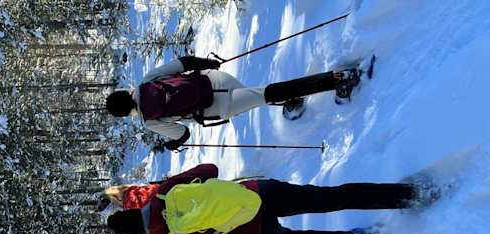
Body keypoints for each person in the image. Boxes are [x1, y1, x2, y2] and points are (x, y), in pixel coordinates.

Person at [105, 162, 430, 234]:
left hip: (252, 232)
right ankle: (405, 194)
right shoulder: (162, 192)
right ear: (133, 210)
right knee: (330, 197)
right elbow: (210, 170)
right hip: (256, 192)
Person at [105, 55, 364, 150]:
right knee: (262, 93)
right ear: (124, 93)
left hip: (220, 106)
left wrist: (173, 144)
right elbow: (183, 63)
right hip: (214, 80)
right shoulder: (147, 80)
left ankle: (335, 79)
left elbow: (182, 132)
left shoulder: (149, 120)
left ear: (126, 113)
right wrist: (210, 63)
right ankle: (296, 98)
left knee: (265, 95)